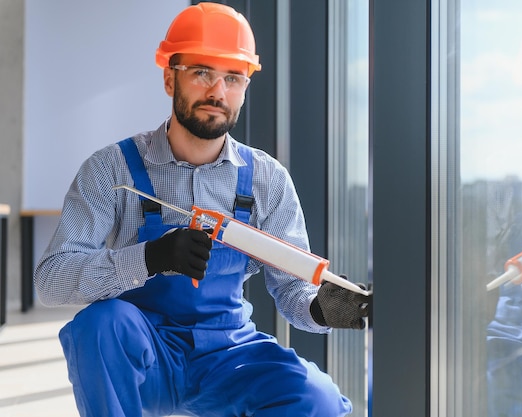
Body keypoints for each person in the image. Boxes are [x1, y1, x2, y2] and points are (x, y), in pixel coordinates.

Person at [34, 3, 370, 416]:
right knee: (98, 326)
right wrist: (148, 257)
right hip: (143, 357)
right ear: (168, 77)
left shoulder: (267, 179)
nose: (217, 92)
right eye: (202, 74)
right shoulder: (112, 168)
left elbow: (292, 290)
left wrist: (321, 308)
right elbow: (50, 281)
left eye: (233, 78)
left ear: (245, 87)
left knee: (317, 400)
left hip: (228, 354)